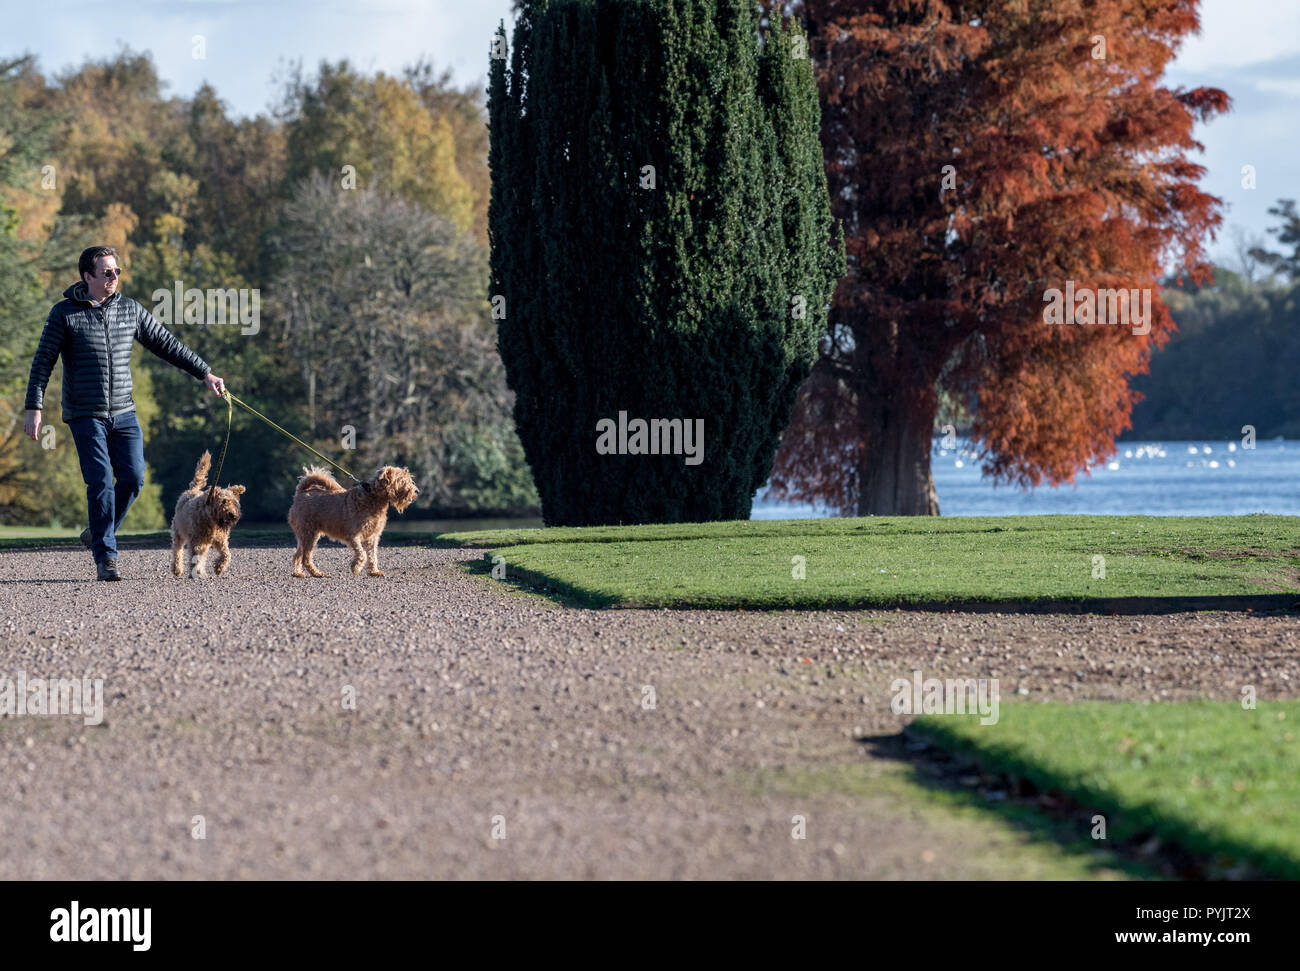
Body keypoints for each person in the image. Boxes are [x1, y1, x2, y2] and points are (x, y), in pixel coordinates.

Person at [24, 246, 227, 580]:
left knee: (133, 478)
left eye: (117, 271)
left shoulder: (130, 310)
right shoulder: (64, 314)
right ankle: (106, 557)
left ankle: (98, 532)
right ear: (87, 277)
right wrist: (35, 407)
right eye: (107, 273)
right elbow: (42, 362)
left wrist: (205, 372)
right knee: (101, 481)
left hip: (124, 413)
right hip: (85, 414)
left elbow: (167, 344)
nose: (114, 277)